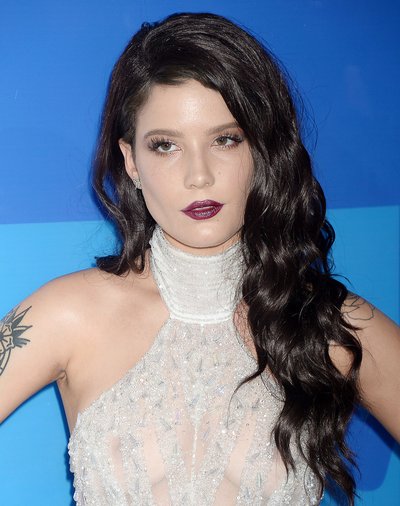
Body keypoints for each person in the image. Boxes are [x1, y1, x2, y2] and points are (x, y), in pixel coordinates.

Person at [0, 11, 399, 506]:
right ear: (131, 161)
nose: (199, 175)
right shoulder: (68, 315)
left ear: (262, 150)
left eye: (225, 139)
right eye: (165, 146)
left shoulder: (330, 324)